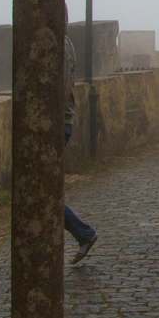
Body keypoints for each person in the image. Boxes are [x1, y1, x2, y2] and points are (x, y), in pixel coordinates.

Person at [63, 23, 97, 263]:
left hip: (58, 122)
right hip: (61, 120)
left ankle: (84, 233)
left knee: (40, 190)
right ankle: (83, 233)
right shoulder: (63, 42)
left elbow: (63, 86)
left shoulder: (61, 45)